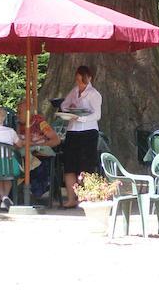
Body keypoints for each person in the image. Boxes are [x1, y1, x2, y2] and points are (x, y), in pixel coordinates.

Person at [61, 65, 102, 209]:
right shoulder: (74, 91)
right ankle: (71, 198)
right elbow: (64, 105)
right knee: (69, 165)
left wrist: (81, 118)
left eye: (82, 81)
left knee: (86, 165)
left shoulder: (94, 94)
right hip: (73, 131)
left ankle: (86, 197)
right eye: (78, 80)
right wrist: (70, 109)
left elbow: (97, 115)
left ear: (89, 78)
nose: (80, 83)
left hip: (88, 131)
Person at [16, 97, 62, 199]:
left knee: (38, 167)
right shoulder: (18, 125)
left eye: (20, 112)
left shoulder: (40, 123)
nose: (17, 115)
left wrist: (37, 146)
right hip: (25, 158)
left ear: (28, 113)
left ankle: (36, 194)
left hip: (41, 157)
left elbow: (56, 140)